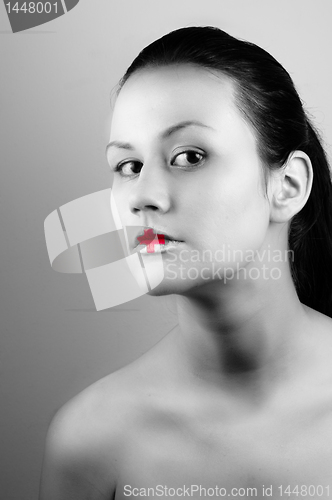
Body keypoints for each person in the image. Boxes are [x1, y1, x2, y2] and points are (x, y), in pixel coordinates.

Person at [39, 26, 332, 500]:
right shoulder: (93, 441)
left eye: (189, 156)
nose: (142, 197)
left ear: (289, 185)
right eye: (127, 166)